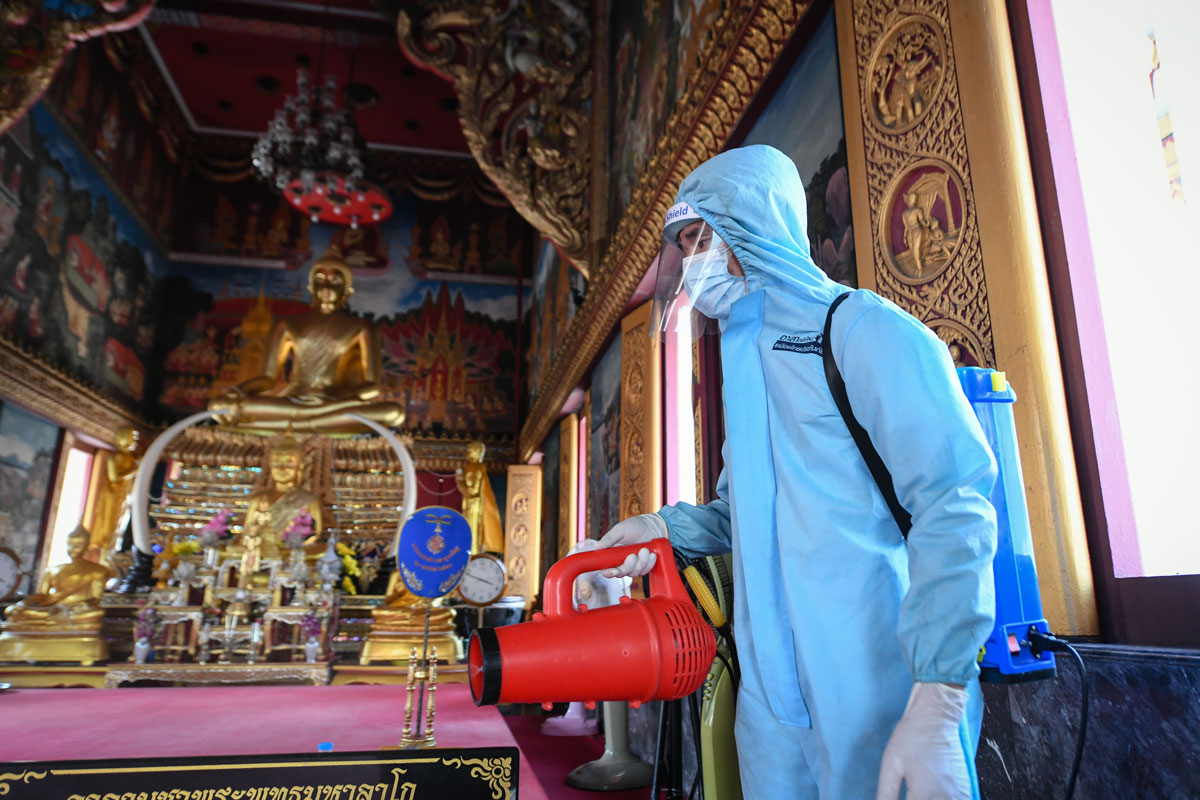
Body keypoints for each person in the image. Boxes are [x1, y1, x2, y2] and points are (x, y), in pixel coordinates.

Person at [595, 145, 997, 800]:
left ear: (758, 224)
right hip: (771, 705)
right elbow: (743, 514)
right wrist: (660, 528)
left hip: (881, 688)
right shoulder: (749, 364)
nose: (694, 265)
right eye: (685, 246)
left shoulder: (864, 332)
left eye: (703, 239)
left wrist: (939, 694)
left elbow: (954, 505)